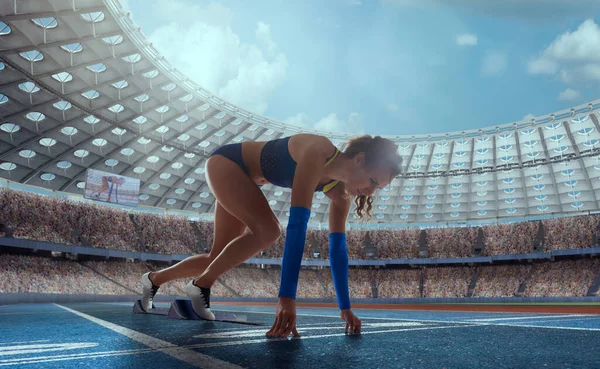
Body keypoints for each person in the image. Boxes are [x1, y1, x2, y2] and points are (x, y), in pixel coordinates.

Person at [140, 133, 402, 337]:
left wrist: (345, 308)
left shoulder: (340, 195)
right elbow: (297, 226)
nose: (371, 192)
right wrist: (286, 298)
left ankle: (153, 280)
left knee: (217, 256)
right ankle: (200, 285)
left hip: (246, 180)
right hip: (228, 163)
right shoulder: (318, 151)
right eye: (374, 182)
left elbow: (338, 251)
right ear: (359, 160)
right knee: (269, 230)